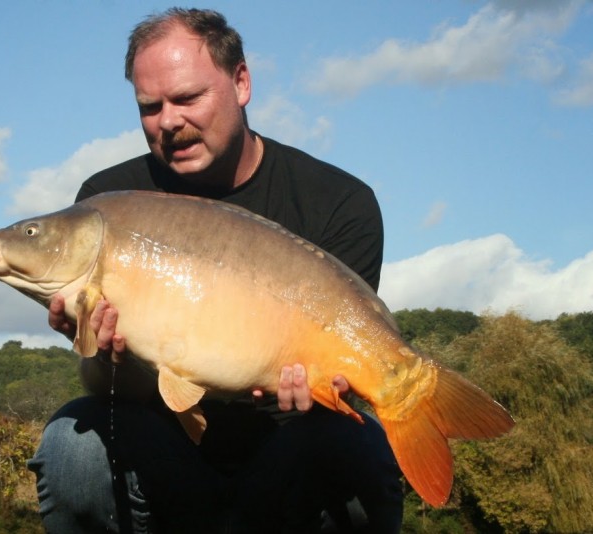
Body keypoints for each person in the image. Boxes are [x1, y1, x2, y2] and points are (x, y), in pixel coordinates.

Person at [27, 8, 403, 533]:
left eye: (187, 98)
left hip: (286, 451)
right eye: (150, 107)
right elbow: (101, 386)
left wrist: (328, 392)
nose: (168, 121)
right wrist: (106, 352)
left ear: (241, 82)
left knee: (356, 443)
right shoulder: (107, 204)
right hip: (164, 457)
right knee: (72, 443)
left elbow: (347, 376)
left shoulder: (339, 202)